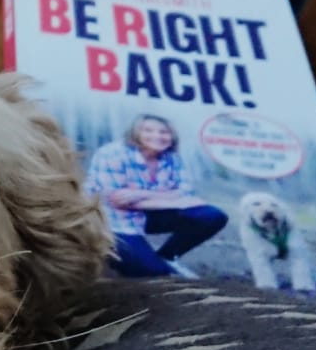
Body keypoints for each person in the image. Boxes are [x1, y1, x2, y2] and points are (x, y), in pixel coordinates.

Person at [85, 113, 227, 278]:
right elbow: (117, 201)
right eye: (148, 130)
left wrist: (137, 194)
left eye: (164, 132)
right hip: (113, 222)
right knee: (154, 273)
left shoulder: (171, 157)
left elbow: (185, 190)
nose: (157, 136)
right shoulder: (112, 154)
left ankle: (167, 256)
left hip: (145, 215)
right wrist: (176, 201)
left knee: (212, 216)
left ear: (172, 137)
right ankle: (106, 254)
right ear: (135, 133)